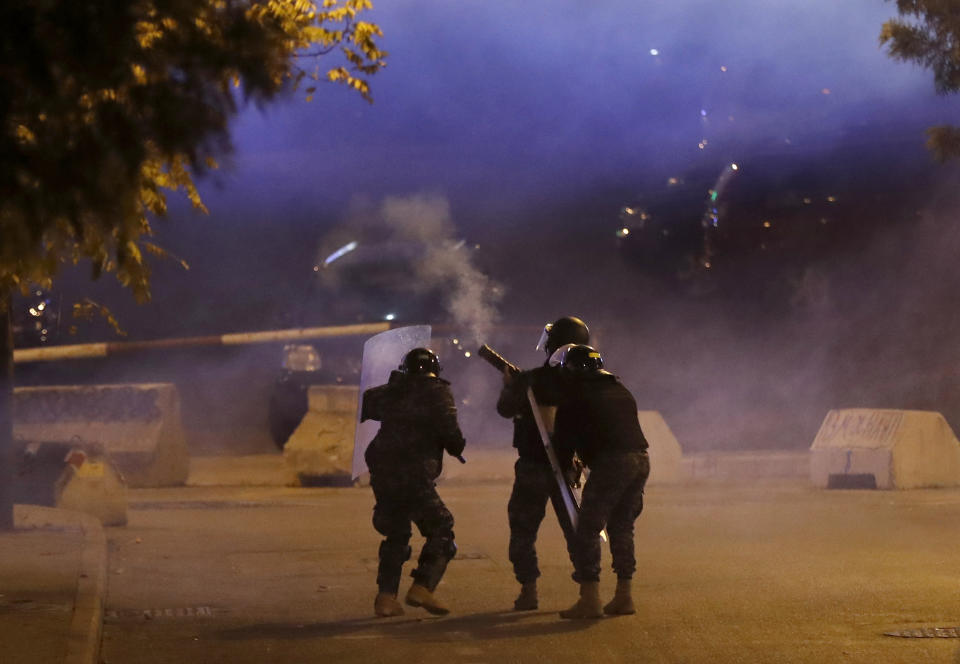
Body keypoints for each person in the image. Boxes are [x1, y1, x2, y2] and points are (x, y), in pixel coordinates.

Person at [361, 347, 467, 618]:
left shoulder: (391, 391)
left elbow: (369, 402)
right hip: (413, 471)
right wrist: (456, 446)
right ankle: (422, 586)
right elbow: (452, 434)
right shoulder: (437, 392)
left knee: (396, 532)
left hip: (382, 467)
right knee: (442, 529)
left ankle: (386, 598)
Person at [496, 316, 591, 611]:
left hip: (533, 465)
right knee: (578, 530)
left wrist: (510, 385)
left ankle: (528, 590)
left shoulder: (531, 379)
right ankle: (589, 591)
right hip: (569, 467)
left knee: (523, 530)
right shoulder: (587, 382)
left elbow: (504, 409)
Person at [551, 344, 650, 619]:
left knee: (587, 529)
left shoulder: (575, 397)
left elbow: (562, 445)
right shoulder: (620, 390)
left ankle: (590, 598)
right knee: (621, 527)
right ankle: (624, 596)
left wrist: (566, 468)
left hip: (612, 464)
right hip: (640, 460)